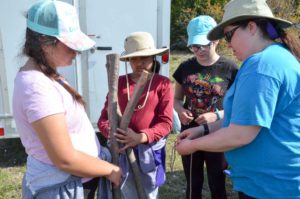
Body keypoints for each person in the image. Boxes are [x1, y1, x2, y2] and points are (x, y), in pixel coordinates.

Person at [176, 0, 300, 198]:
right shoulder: (274, 58)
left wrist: (193, 145)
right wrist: (201, 130)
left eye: (228, 35)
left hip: (271, 188)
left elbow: (240, 134)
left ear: (251, 27)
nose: (227, 43)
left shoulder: (262, 66)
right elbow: (241, 118)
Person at [12, 1, 122, 198]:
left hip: (75, 181)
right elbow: (65, 159)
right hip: (62, 187)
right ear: (45, 43)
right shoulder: (36, 87)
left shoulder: (47, 75)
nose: (76, 52)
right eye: (70, 45)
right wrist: (109, 170)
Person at [98, 31, 173, 199]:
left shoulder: (162, 84)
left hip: (148, 152)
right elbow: (104, 118)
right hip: (121, 151)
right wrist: (114, 135)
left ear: (153, 58)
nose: (139, 63)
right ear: (128, 60)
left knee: (147, 194)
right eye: (134, 58)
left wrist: (141, 137)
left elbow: (166, 123)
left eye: (144, 58)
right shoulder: (118, 83)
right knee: (121, 193)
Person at [173, 15, 238, 199]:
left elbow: (238, 107)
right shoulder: (185, 68)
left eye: (205, 44)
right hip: (190, 133)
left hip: (218, 134)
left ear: (216, 40)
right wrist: (180, 110)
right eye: (195, 46)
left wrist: (216, 116)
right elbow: (176, 99)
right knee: (193, 183)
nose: (199, 50)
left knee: (217, 182)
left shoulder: (230, 69)